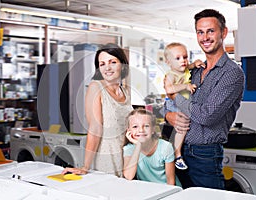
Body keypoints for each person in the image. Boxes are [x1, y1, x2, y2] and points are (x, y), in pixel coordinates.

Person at [163, 9, 245, 189]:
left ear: (223, 32)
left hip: (204, 155)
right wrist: (169, 116)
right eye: (200, 32)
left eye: (210, 31)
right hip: (177, 150)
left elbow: (207, 116)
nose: (205, 37)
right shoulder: (193, 71)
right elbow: (165, 105)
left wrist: (174, 95)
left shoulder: (231, 73)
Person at [62, 43, 133, 177]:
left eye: (112, 62)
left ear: (122, 65)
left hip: (127, 157)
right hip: (106, 158)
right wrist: (85, 166)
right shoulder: (96, 87)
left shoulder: (125, 92)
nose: (107, 68)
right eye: (102, 64)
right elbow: (95, 128)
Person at [163, 42, 205, 170]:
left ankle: (175, 153)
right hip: (174, 103)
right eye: (178, 58)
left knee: (183, 127)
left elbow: (189, 66)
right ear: (169, 62)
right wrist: (185, 86)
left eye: (185, 57)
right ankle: (177, 154)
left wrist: (195, 64)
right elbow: (169, 89)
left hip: (183, 101)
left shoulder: (184, 69)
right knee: (182, 127)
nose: (183, 61)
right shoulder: (171, 75)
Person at [123, 108, 182, 187]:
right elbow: (128, 176)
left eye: (146, 126)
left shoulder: (165, 147)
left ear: (153, 129)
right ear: (129, 131)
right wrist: (138, 146)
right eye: (135, 126)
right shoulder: (129, 149)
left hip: (168, 189)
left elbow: (171, 182)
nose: (141, 130)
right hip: (148, 190)